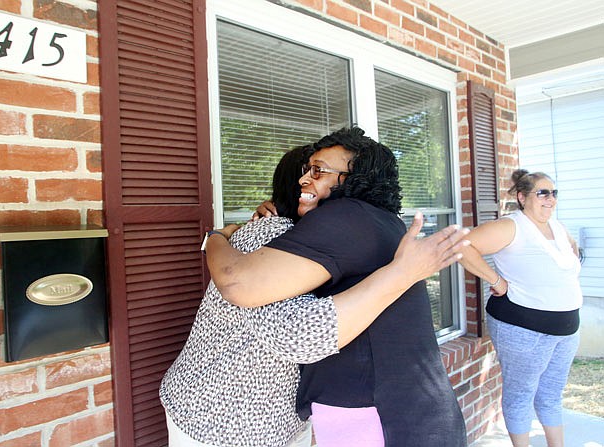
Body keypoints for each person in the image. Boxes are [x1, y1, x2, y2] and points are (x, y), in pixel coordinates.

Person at [160, 142, 468, 447]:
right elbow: (297, 333)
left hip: (265, 421)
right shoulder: (271, 233)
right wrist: (216, 237)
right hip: (220, 416)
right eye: (305, 171)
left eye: (317, 171)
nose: (305, 179)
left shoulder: (335, 233)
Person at [458, 169, 582, 447]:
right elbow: (463, 245)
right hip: (524, 329)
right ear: (522, 197)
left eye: (554, 193)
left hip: (566, 331)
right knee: (521, 395)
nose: (550, 199)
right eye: (543, 193)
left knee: (551, 395)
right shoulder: (511, 226)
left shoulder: (558, 228)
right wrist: (496, 280)